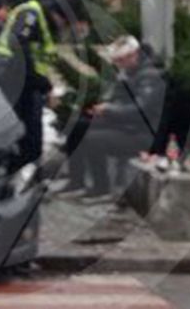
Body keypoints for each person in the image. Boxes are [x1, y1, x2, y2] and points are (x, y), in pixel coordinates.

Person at [61, 36, 167, 200]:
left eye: (120, 61)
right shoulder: (128, 72)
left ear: (134, 55)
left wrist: (110, 110)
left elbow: (141, 110)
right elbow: (116, 97)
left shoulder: (151, 76)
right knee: (76, 127)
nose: (118, 65)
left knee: (92, 139)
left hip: (144, 132)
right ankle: (76, 181)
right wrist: (104, 106)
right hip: (126, 123)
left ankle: (101, 188)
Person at [0, 0, 57, 170]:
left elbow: (41, 19)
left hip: (29, 67)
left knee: (31, 126)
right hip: (8, 66)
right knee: (10, 125)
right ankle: (11, 169)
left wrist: (16, 20)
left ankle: (29, 171)